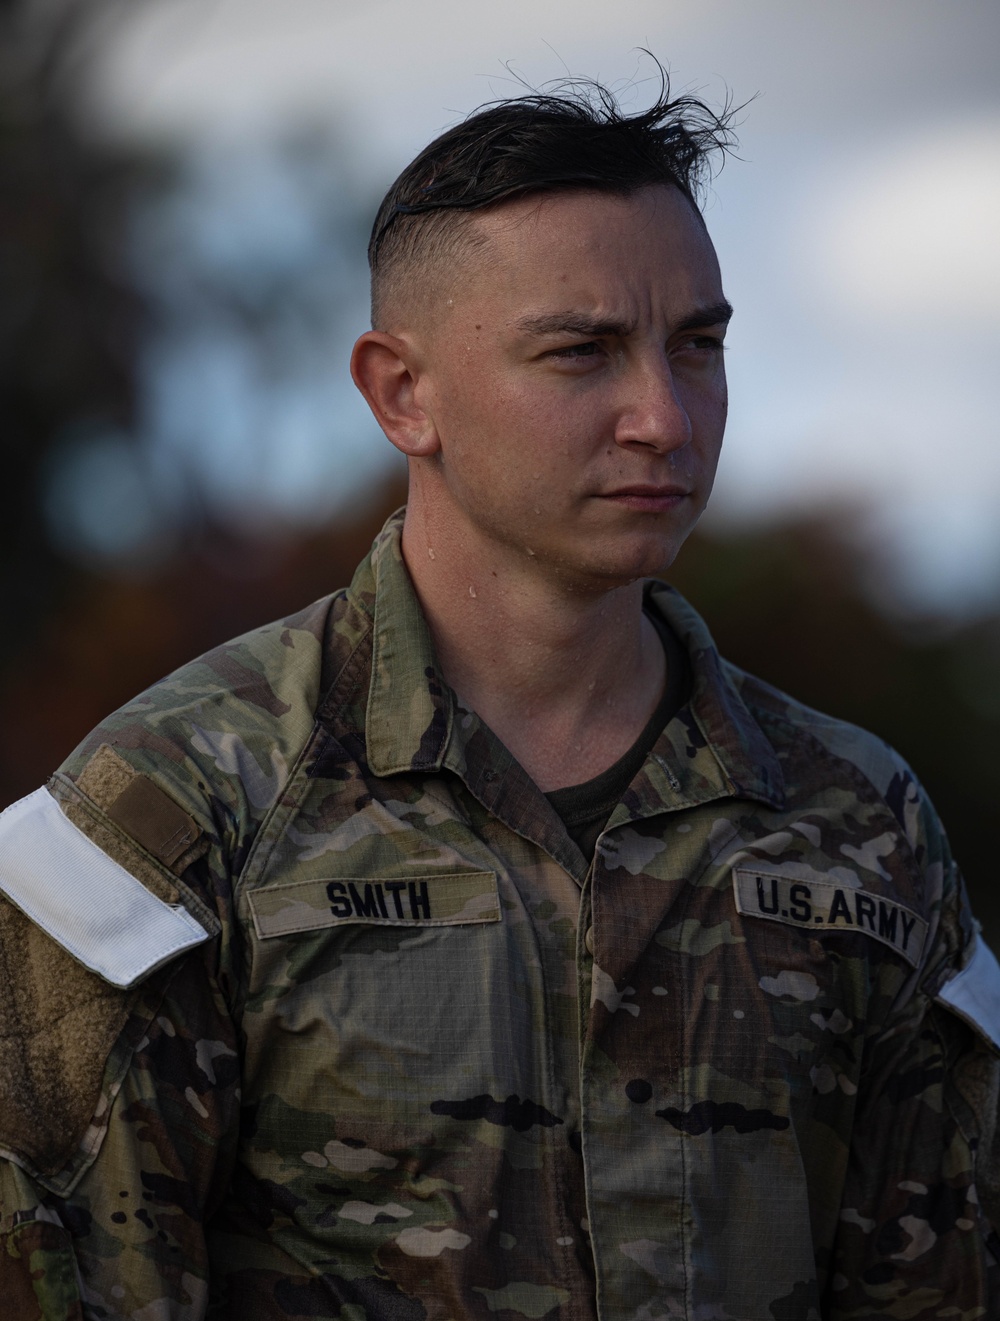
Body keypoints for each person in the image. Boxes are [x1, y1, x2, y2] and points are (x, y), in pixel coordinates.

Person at [1, 73, 998, 1321]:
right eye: (580, 351)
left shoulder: (865, 823)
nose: (663, 416)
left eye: (699, 344)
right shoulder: (166, 814)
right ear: (400, 393)